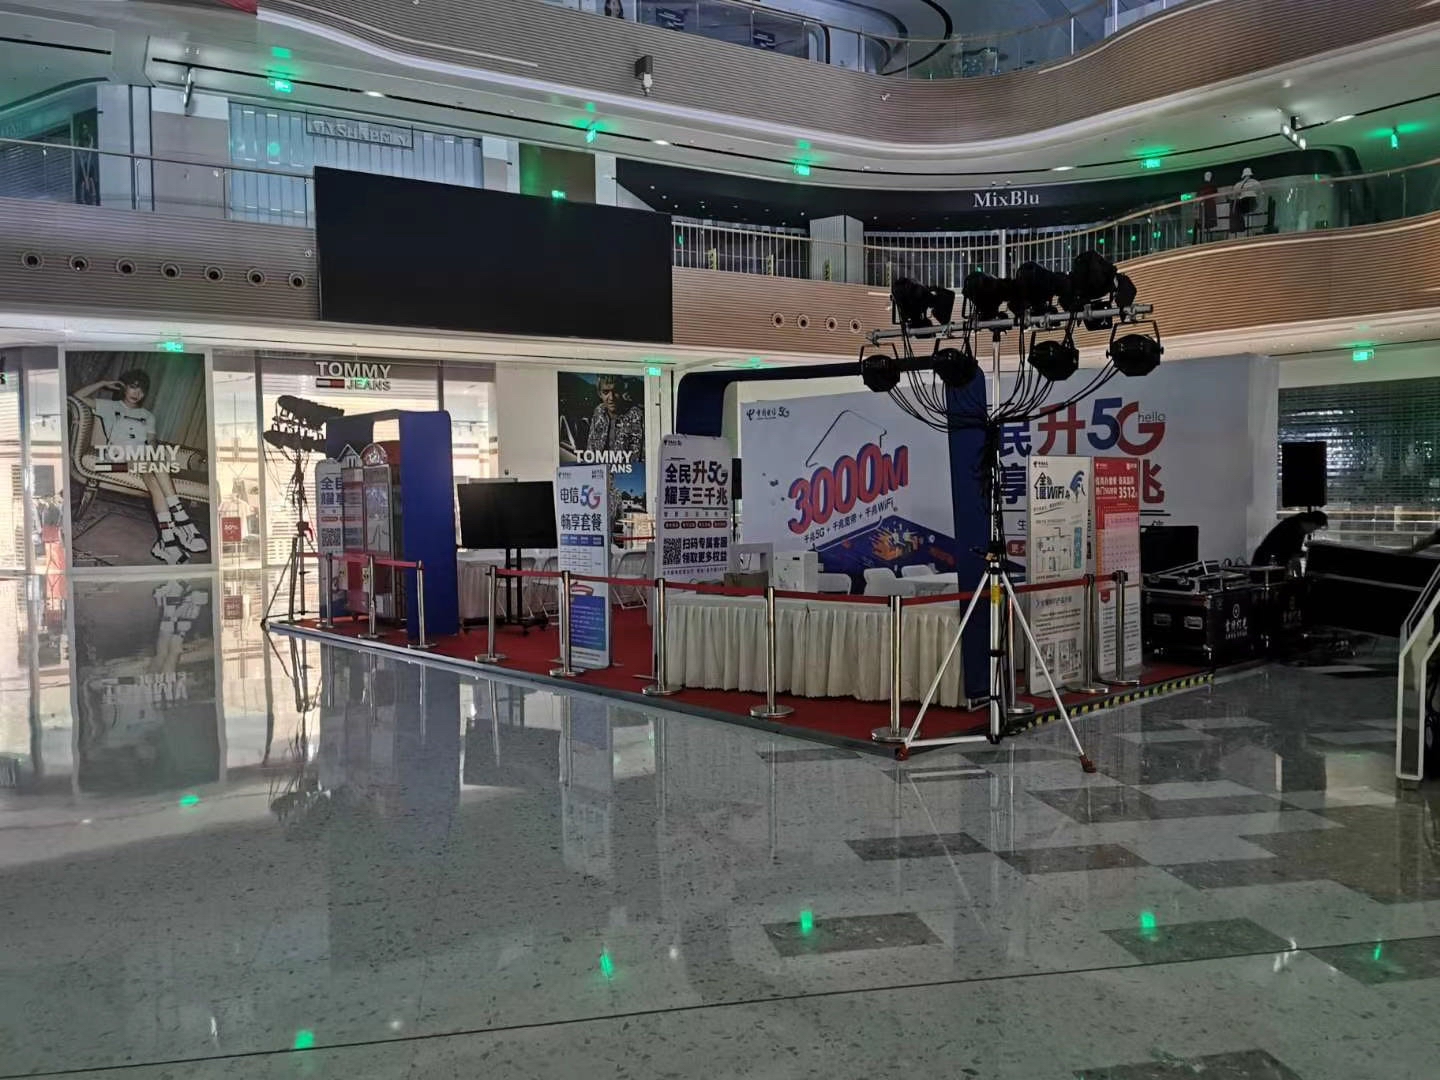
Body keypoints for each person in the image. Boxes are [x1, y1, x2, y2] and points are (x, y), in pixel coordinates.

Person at [73, 369, 208, 564]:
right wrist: (103, 383)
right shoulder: (110, 406)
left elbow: (151, 442)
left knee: (154, 476)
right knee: (150, 464)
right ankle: (181, 518)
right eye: (133, 387)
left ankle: (167, 541)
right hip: (112, 462)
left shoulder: (148, 416)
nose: (137, 393)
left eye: (142, 390)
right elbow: (77, 396)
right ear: (124, 387)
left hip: (141, 461)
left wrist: (157, 457)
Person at [586, 375, 644, 457]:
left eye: (615, 391)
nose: (611, 398)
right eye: (606, 392)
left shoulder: (636, 415)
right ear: (599, 394)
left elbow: (639, 455)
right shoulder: (599, 411)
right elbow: (591, 447)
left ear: (621, 391)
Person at [1251, 509, 1327, 569]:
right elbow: (1294, 556)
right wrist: (1299, 577)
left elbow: (1294, 554)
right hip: (1267, 561)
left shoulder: (1297, 526)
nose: (1312, 531)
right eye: (1314, 528)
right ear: (1311, 522)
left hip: (1271, 559)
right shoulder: (1293, 528)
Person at [1229, 166, 1263, 235]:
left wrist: (1233, 210)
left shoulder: (1238, 185)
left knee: (1234, 204)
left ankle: (1237, 227)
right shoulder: (1256, 183)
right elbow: (1260, 195)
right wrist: (1259, 206)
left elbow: (1234, 197)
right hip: (1253, 205)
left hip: (1243, 206)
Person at [1197, 170, 1218, 235]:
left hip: (1208, 205)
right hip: (1207, 205)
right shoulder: (1211, 186)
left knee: (1207, 219)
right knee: (1206, 219)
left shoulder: (1211, 186)